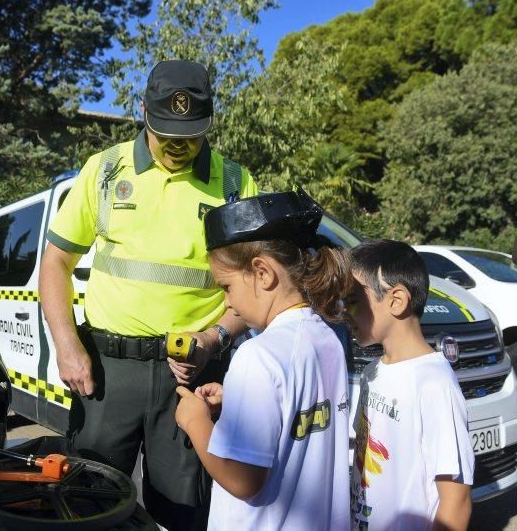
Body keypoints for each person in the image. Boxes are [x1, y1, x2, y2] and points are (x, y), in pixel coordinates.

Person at [39, 59, 258, 529]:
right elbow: (55, 263)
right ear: (142, 112)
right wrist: (67, 346)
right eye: (167, 134)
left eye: (191, 135)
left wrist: (215, 338)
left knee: (182, 512)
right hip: (106, 373)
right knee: (88, 502)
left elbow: (251, 291)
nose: (178, 147)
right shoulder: (103, 170)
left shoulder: (236, 185)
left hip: (190, 374)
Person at [175, 189, 353, 530]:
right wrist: (238, 400)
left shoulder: (256, 355)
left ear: (263, 273)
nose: (227, 304)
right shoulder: (326, 338)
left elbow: (244, 480)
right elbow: (304, 416)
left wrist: (196, 422)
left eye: (226, 287)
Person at [347, 240, 474, 531]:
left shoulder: (434, 383)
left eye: (352, 300)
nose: (344, 312)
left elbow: (456, 502)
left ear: (396, 300)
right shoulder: (372, 372)